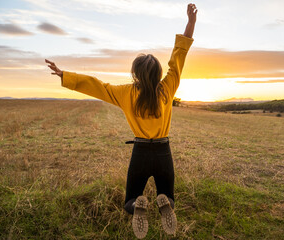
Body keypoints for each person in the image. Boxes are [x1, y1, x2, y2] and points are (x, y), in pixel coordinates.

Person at [45, 3, 197, 239]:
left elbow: (97, 86)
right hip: (163, 151)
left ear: (135, 75)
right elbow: (179, 56)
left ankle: (138, 205)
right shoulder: (168, 87)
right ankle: (164, 201)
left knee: (130, 200)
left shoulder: (126, 93)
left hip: (140, 152)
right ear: (158, 74)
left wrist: (65, 75)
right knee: (169, 197)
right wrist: (190, 23)